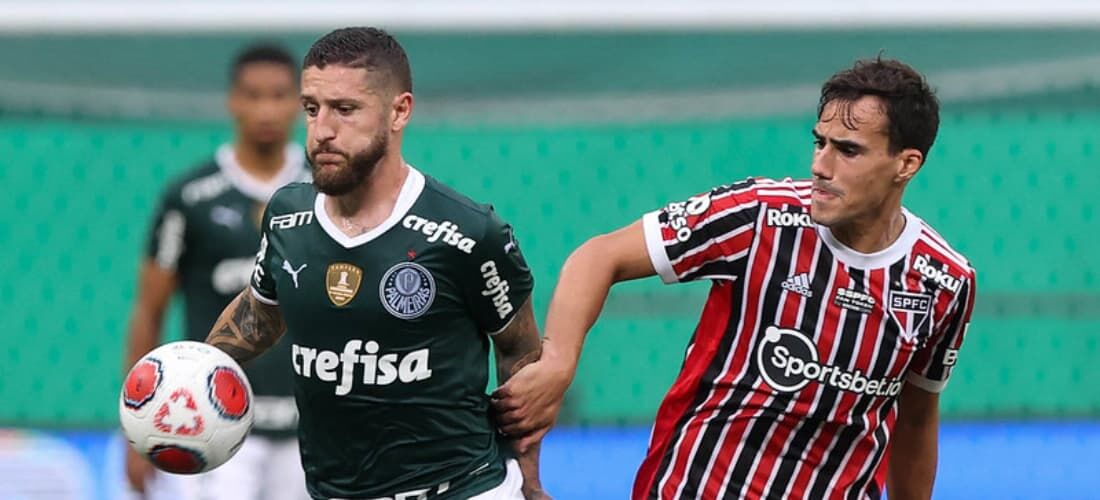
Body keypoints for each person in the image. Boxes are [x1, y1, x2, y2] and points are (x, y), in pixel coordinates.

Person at [493, 57, 978, 499]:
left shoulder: (945, 280)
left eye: (847, 151)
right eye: (819, 142)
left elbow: (915, 420)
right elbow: (600, 256)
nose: (820, 165)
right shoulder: (758, 216)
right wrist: (559, 361)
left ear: (906, 164)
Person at [203, 27, 548, 499]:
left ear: (399, 111)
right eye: (311, 109)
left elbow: (521, 354)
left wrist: (529, 479)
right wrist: (192, 370)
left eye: (345, 109)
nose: (322, 130)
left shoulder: (468, 232)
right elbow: (261, 314)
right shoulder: (287, 217)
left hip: (463, 490)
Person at [122, 43, 310, 499]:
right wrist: (131, 427)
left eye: (279, 95)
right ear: (232, 101)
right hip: (215, 427)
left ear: (299, 103)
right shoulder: (190, 198)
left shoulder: (323, 194)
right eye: (252, 95)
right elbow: (150, 309)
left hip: (311, 426)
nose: (265, 108)